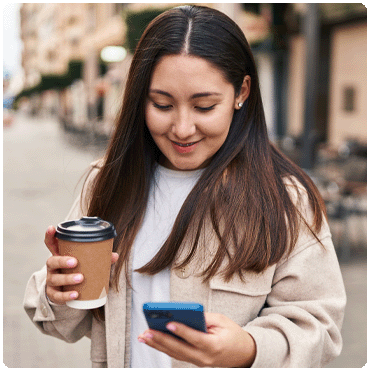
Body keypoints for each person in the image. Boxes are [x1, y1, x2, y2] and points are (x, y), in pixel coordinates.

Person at [24, 5, 346, 368]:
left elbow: (322, 327)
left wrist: (249, 347)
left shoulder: (286, 199)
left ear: (242, 92)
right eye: (161, 104)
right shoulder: (108, 182)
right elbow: (67, 321)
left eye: (204, 106)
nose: (181, 128)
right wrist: (59, 290)